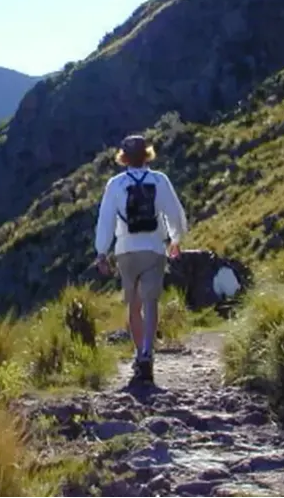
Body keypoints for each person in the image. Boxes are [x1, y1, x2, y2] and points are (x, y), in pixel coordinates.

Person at [94, 134, 188, 384]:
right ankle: (147, 353)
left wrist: (101, 251)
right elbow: (174, 213)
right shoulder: (159, 180)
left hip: (125, 250)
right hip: (154, 249)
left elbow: (106, 220)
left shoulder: (115, 184)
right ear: (147, 154)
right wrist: (176, 240)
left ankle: (139, 355)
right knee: (151, 302)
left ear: (123, 157)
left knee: (133, 304)